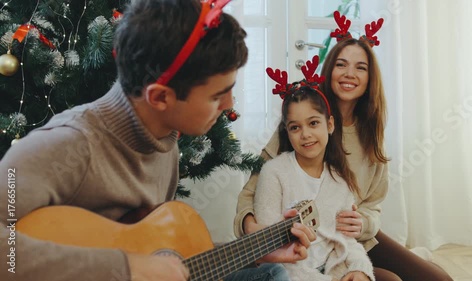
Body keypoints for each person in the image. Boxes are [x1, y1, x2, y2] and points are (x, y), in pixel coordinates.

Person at [0, 1, 315, 281]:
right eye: (217, 95)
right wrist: (124, 268)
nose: (229, 105)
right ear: (160, 97)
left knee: (271, 273)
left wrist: (256, 250)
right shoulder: (66, 145)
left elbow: (165, 254)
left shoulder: (164, 140)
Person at [233, 29, 453, 281]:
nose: (350, 74)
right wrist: (251, 228)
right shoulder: (303, 123)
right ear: (329, 70)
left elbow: (372, 204)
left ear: (370, 78)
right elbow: (253, 190)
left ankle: (415, 256)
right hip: (305, 251)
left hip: (350, 241)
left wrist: (363, 223)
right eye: (341, 65)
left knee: (439, 279)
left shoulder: (371, 132)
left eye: (360, 67)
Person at [253, 63, 375, 281]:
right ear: (287, 132)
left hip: (331, 269)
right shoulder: (274, 173)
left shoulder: (339, 179)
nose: (305, 134)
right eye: (295, 127)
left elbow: (346, 240)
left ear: (329, 124)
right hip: (287, 274)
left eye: (313, 123)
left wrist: (359, 270)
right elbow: (272, 251)